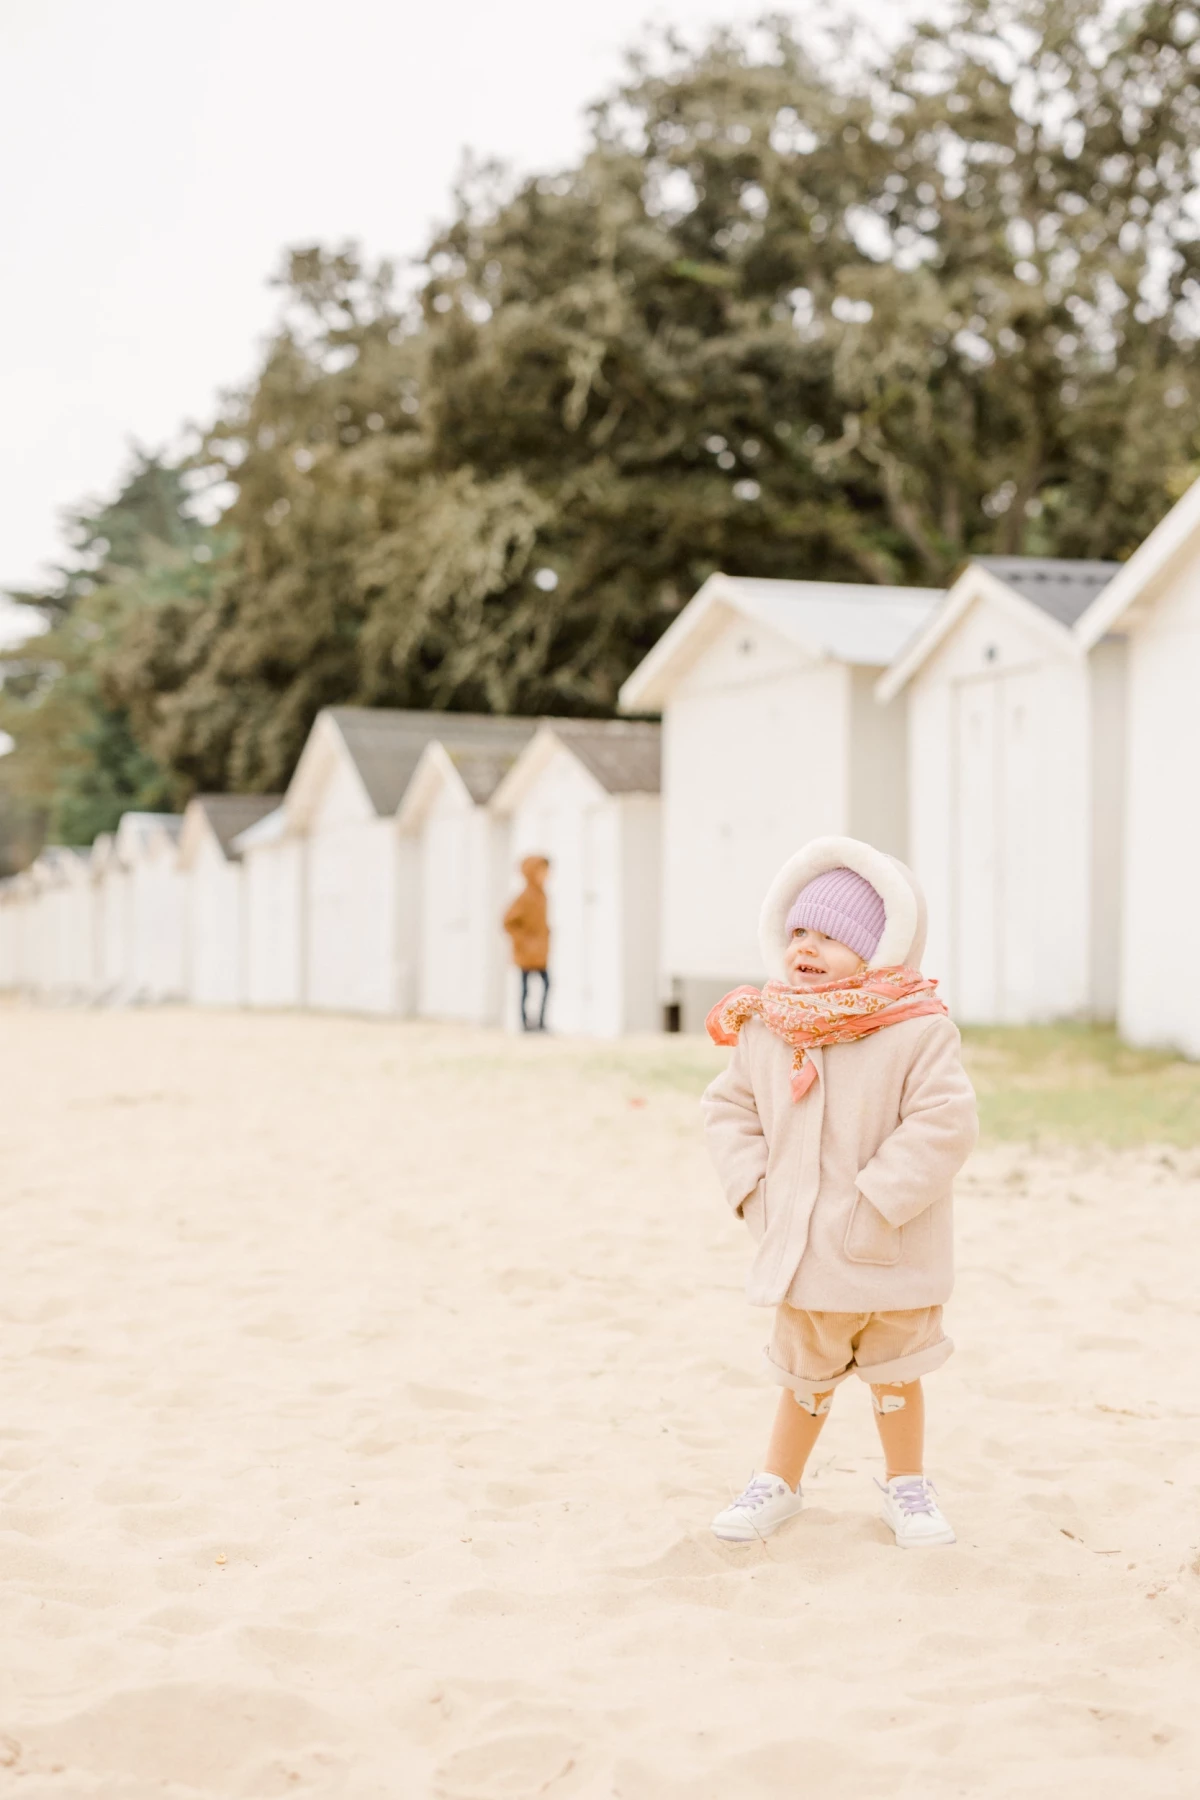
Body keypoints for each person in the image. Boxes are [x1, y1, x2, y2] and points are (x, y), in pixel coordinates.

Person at [701, 837, 977, 1550]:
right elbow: (729, 1110)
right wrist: (755, 1195)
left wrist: (877, 1201)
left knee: (897, 1372)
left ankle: (908, 1484)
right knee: (803, 1374)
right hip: (800, 1248)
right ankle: (778, 1482)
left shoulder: (917, 1029)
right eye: (799, 931)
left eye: (831, 936)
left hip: (888, 1247)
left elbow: (944, 1123)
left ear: (880, 946)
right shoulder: (769, 1026)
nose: (808, 947)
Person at [503, 855, 550, 1031]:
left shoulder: (542, 895)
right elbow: (508, 921)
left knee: (545, 985)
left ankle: (540, 1021)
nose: (546, 875)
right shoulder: (525, 897)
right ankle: (525, 1023)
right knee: (526, 988)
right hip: (527, 952)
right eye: (543, 871)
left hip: (540, 952)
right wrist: (523, 941)